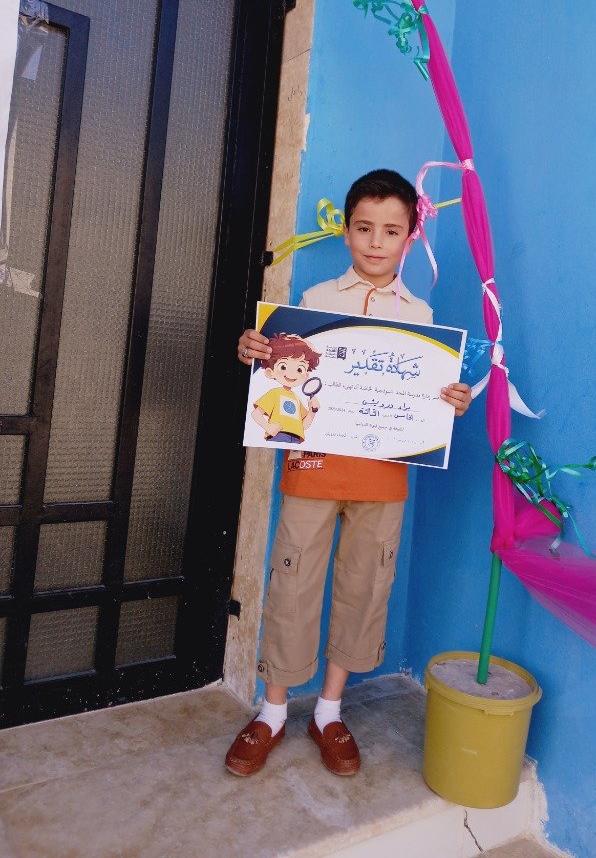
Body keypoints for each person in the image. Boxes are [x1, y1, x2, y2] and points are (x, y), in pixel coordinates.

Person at [225, 169, 471, 778]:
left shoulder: (422, 315)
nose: (376, 242)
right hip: (312, 470)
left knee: (365, 586)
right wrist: (254, 350)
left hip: (382, 480)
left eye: (391, 230)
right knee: (294, 582)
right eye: (364, 228)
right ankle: (273, 712)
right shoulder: (312, 303)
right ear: (346, 231)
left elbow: (426, 397)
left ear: (410, 236)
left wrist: (452, 400)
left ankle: (329, 711)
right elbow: (282, 374)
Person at [251, 333, 321, 444]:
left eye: (299, 369)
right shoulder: (275, 393)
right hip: (278, 436)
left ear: (306, 376)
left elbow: (303, 425)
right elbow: (255, 414)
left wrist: (312, 412)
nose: (292, 374)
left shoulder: (296, 399)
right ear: (270, 372)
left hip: (296, 439)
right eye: (283, 366)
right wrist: (268, 427)